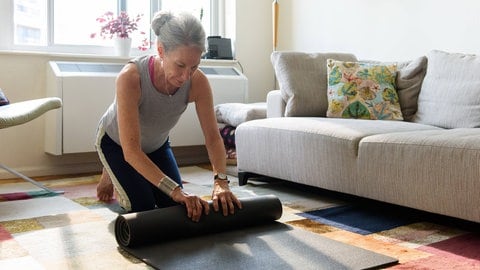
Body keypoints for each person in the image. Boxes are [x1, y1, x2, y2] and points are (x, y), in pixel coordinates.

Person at [95, 11, 242, 222]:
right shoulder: (131, 77)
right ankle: (110, 169)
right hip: (118, 145)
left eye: (194, 67)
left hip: (156, 145)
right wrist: (176, 190)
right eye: (180, 65)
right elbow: (132, 151)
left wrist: (221, 181)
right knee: (143, 206)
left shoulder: (198, 82)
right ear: (161, 50)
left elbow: (212, 137)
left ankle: (120, 173)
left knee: (175, 205)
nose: (185, 76)